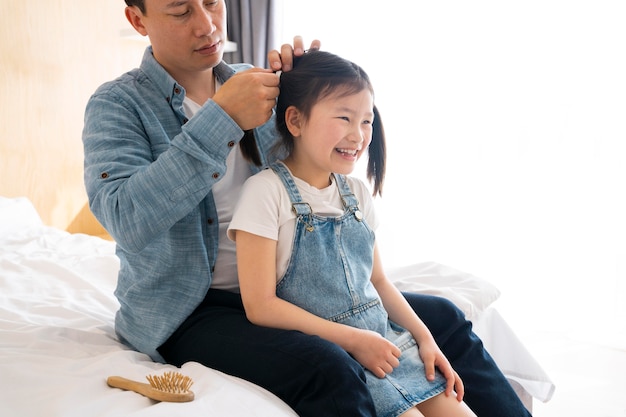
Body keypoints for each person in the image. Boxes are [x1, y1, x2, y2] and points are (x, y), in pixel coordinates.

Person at [82, 0, 532, 416]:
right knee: (327, 366)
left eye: (213, 2)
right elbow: (126, 218)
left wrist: (312, 85)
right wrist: (222, 118)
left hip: (297, 288)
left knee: (444, 319)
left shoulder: (262, 86)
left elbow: (320, 162)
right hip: (194, 309)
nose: (206, 23)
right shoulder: (118, 105)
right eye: (180, 11)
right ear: (138, 20)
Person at [228, 49, 477, 417]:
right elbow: (260, 305)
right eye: (344, 117)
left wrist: (425, 340)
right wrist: (355, 340)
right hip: (340, 355)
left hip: (387, 345)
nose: (358, 135)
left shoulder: (356, 192)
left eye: (366, 121)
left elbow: (377, 280)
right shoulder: (266, 193)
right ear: (295, 120)